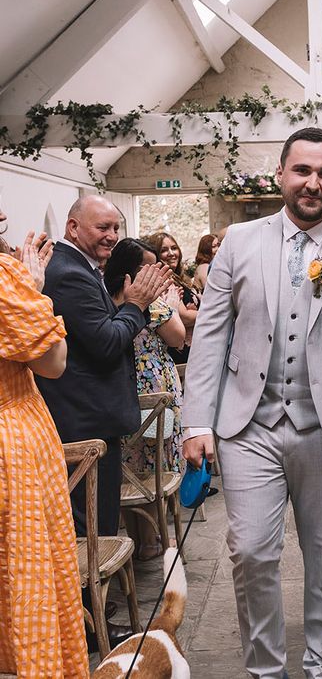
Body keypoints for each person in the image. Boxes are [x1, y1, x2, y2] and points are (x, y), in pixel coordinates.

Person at [182, 127, 322, 679]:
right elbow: (210, 336)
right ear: (281, 174)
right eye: (302, 170)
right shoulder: (238, 242)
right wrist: (196, 421)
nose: (313, 183)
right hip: (246, 424)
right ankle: (266, 669)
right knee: (251, 552)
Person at [35, 195, 172, 650]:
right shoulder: (68, 274)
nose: (112, 235)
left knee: (96, 528)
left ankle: (94, 614)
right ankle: (89, 629)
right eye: (102, 227)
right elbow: (106, 343)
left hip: (92, 418)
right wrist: (134, 304)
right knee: (87, 534)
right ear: (74, 228)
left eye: (116, 227)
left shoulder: (79, 268)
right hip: (83, 422)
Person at [0, 224, 89, 677]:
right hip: (11, 440)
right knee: (27, 569)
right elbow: (53, 363)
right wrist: (34, 293)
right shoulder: (2, 278)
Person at [104, 238, 186, 560]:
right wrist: (164, 303)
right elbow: (178, 337)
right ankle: (153, 540)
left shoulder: (106, 299)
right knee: (153, 464)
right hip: (154, 390)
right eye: (146, 266)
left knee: (128, 465)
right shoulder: (148, 302)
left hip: (119, 390)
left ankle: (138, 539)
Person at [144, 231, 200, 364]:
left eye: (174, 248)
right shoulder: (164, 280)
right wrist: (214, 312)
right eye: (164, 250)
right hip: (180, 350)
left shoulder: (178, 277)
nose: (171, 253)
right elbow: (184, 316)